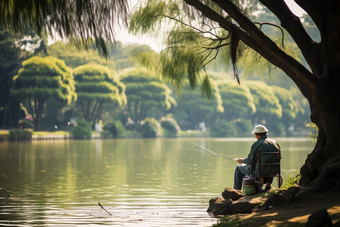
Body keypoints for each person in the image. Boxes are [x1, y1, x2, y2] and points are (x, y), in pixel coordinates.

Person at [233, 124, 280, 192]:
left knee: (238, 168)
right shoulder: (275, 143)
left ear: (256, 134)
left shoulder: (256, 144)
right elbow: (278, 158)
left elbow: (250, 160)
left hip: (260, 171)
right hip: (274, 170)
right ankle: (267, 186)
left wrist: (242, 161)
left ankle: (236, 192)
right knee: (268, 163)